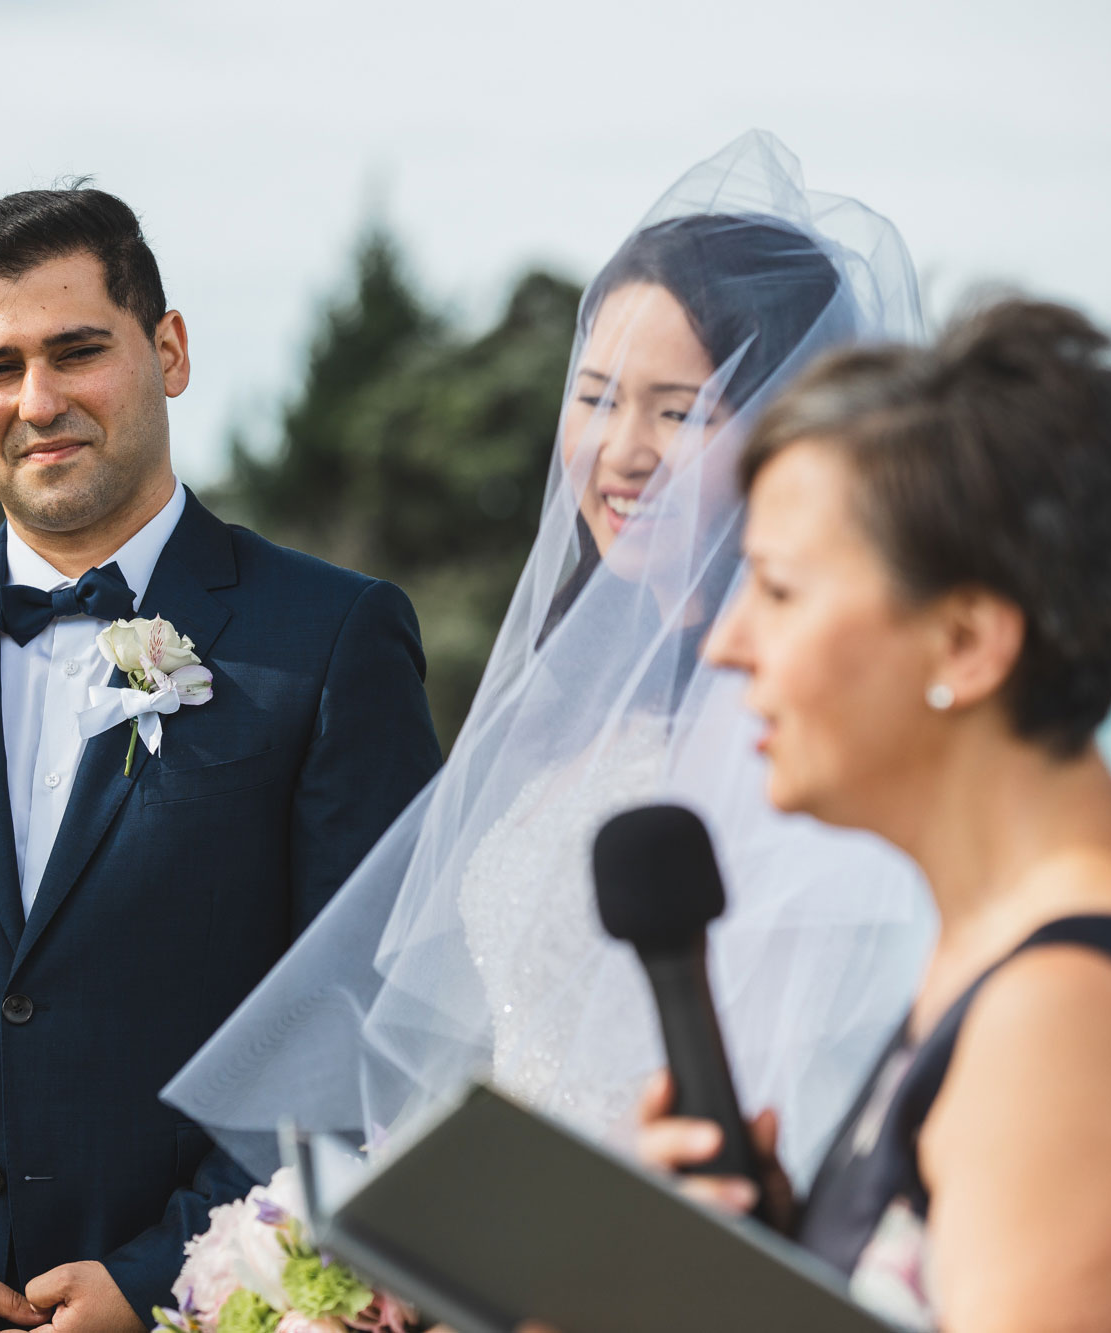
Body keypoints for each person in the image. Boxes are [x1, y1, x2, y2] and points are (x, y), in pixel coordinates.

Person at [0, 187, 442, 1333]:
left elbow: (364, 1008)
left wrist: (165, 1272)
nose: (38, 401)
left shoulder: (333, 638)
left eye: (76, 351)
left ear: (168, 351)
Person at [163, 132, 934, 1194]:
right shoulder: (581, 697)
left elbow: (787, 1110)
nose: (618, 450)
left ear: (780, 435)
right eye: (596, 395)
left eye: (679, 410)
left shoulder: (787, 740)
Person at [640, 297, 1111, 1331]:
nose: (728, 643)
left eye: (776, 590)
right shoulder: (1043, 936)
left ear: (964, 642)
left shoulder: (1062, 1032)